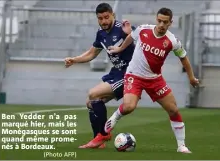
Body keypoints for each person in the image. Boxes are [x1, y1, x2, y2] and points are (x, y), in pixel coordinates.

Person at [104, 7, 199, 153]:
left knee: (173, 109)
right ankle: (116, 116)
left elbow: (183, 58)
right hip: (134, 75)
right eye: (159, 21)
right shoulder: (143, 30)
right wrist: (120, 49)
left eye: (165, 22)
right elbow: (131, 37)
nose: (161, 25)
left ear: (170, 23)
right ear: (156, 19)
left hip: (155, 79)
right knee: (129, 106)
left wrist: (191, 77)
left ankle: (181, 145)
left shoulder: (172, 41)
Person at [64, 3, 135, 148]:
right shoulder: (101, 33)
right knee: (90, 103)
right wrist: (74, 60)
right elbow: (92, 53)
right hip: (116, 73)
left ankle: (103, 134)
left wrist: (129, 34)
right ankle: (98, 140)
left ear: (113, 15)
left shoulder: (123, 28)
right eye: (100, 18)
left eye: (106, 17)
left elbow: (139, 38)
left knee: (93, 94)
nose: (104, 21)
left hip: (130, 74)